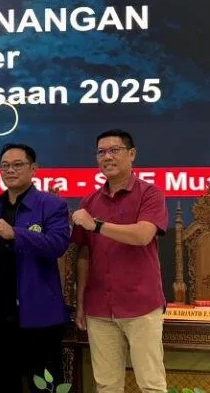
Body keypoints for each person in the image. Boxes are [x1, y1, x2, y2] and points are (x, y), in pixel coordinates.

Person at [72, 129, 168, 393]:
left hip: (141, 305)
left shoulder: (150, 193)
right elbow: (84, 255)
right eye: (101, 152)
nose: (107, 157)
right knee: (106, 385)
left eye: (114, 150)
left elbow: (143, 235)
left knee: (151, 384)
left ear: (132, 154)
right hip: (98, 307)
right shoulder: (89, 201)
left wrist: (97, 225)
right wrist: (80, 303)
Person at [0, 143, 71, 393]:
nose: (10, 170)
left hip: (39, 317)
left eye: (17, 165)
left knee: (46, 387)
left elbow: (58, 245)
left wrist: (16, 234)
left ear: (33, 168)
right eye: (5, 166)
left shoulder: (52, 205)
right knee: (0, 385)